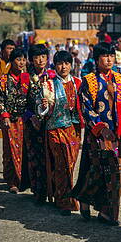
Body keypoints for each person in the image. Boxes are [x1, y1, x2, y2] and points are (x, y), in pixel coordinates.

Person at [70, 42, 121, 225]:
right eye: (105, 56)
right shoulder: (89, 80)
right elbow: (86, 109)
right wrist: (101, 128)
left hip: (116, 134)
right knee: (99, 170)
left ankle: (108, 213)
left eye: (111, 56)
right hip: (98, 135)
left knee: (115, 173)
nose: (109, 60)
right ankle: (84, 198)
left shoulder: (119, 79)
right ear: (97, 59)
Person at [38, 50, 83, 216]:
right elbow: (41, 109)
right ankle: (64, 200)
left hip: (74, 130)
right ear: (55, 65)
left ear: (71, 65)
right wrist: (43, 106)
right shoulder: (48, 84)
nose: (63, 67)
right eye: (59, 63)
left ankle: (64, 195)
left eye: (66, 63)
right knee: (62, 163)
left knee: (70, 165)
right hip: (55, 129)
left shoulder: (78, 83)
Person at [26, 44, 54, 203]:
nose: (40, 60)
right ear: (31, 60)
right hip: (32, 123)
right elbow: (21, 102)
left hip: (50, 122)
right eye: (37, 57)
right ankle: (38, 192)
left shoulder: (52, 75)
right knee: (35, 158)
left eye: (43, 56)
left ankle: (53, 191)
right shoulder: (26, 77)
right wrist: (32, 117)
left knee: (50, 157)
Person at [0, 48, 30, 193]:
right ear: (12, 61)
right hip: (9, 121)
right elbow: (1, 99)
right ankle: (12, 181)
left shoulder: (28, 78)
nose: (21, 63)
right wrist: (4, 116)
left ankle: (22, 180)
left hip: (24, 120)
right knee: (10, 150)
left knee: (24, 150)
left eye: (23, 60)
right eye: (18, 59)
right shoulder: (4, 80)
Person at [0, 39, 15, 170]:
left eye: (13, 48)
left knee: (10, 140)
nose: (10, 51)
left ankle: (10, 168)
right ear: (2, 49)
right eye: (8, 48)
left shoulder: (17, 65)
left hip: (11, 109)